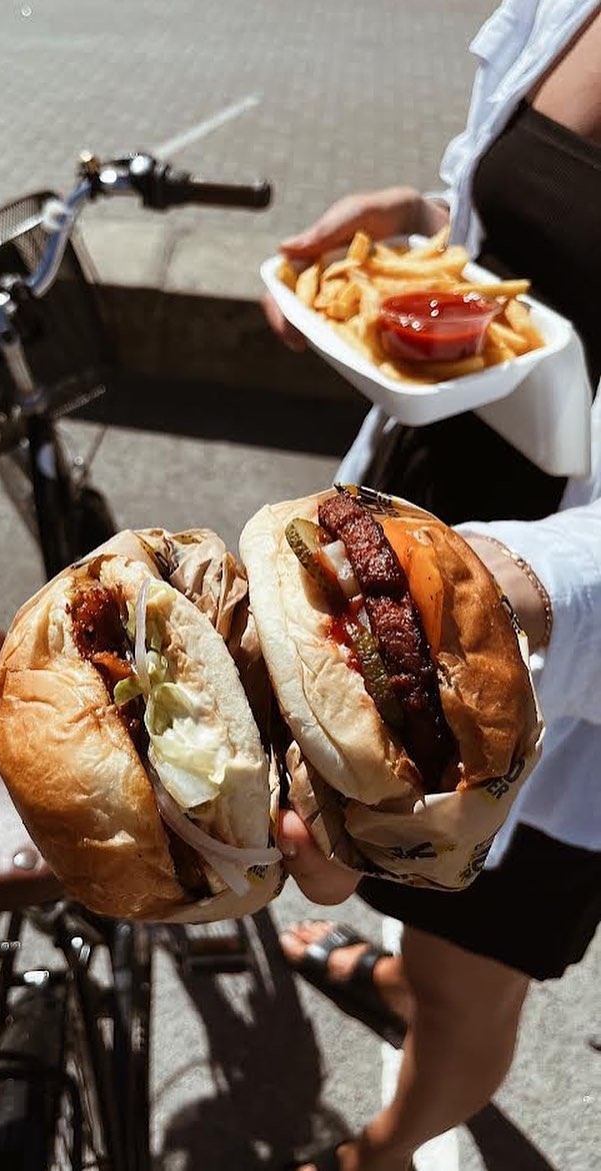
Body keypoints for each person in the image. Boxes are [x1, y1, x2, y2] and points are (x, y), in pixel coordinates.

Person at [263, 1, 601, 1168]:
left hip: (556, 654)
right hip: (419, 516)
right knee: (391, 872)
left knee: (474, 975)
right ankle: (396, 977)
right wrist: (417, 222)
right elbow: (529, 238)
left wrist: (495, 582)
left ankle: (390, 1144)